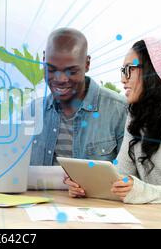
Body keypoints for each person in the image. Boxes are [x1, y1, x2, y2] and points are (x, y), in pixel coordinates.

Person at [66, 38, 161, 206]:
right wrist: (86, 188)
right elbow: (120, 178)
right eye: (123, 71)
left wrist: (144, 191)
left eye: (129, 69)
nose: (123, 79)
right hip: (151, 221)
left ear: (155, 72)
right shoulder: (136, 119)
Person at [30, 28, 127, 166]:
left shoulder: (119, 111)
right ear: (44, 59)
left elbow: (130, 177)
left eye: (71, 71)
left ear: (87, 63)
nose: (61, 79)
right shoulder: (32, 112)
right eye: (51, 70)